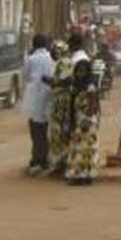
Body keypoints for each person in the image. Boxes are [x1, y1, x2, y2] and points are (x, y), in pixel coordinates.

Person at [64, 58, 102, 185]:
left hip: (87, 121)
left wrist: (87, 119)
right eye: (78, 71)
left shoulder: (90, 86)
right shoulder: (75, 86)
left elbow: (93, 104)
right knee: (77, 148)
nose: (80, 74)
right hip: (78, 119)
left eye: (83, 71)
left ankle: (86, 175)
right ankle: (79, 175)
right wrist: (72, 122)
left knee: (87, 149)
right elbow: (71, 106)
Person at [22, 34, 54, 176]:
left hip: (35, 97)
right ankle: (45, 159)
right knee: (46, 130)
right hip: (49, 96)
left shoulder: (31, 59)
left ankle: (37, 161)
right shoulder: (51, 57)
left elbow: (26, 76)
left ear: (34, 45)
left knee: (36, 132)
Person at [48, 38, 77, 176]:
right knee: (62, 131)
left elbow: (65, 81)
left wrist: (52, 82)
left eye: (55, 50)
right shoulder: (65, 62)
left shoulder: (63, 63)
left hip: (61, 100)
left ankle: (60, 163)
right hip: (63, 99)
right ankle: (62, 161)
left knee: (58, 132)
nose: (52, 53)